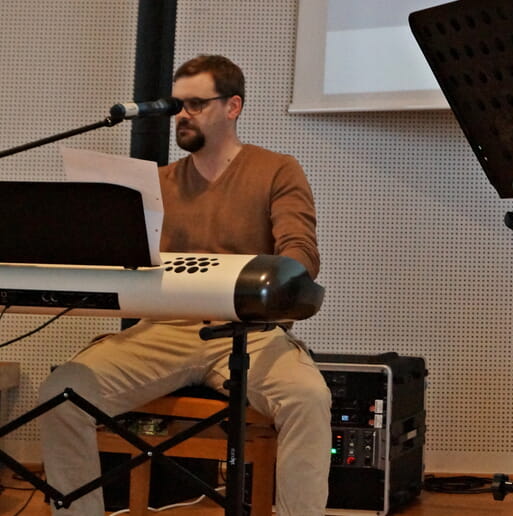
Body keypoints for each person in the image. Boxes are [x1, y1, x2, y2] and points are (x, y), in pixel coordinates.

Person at [39, 55, 333, 516]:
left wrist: (277, 283)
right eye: (178, 104)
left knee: (308, 397)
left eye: (196, 104)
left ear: (233, 106)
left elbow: (301, 253)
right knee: (62, 393)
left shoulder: (277, 170)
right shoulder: (154, 183)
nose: (182, 114)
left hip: (247, 333)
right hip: (163, 331)